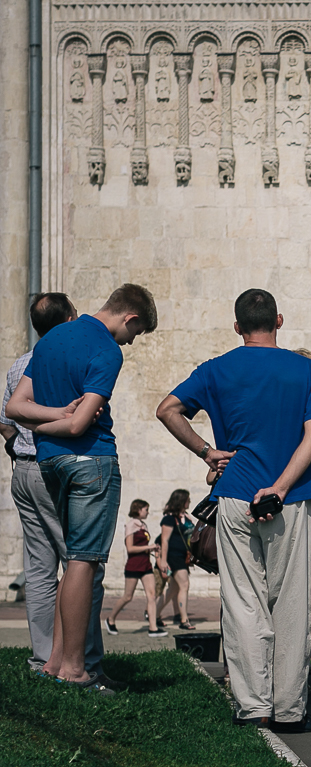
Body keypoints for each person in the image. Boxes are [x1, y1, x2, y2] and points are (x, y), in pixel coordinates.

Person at [156, 288, 311, 733]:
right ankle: (289, 709)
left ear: (237, 327)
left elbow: (168, 409)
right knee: (292, 603)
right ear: (279, 320)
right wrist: (280, 487)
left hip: (235, 494)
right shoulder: (306, 370)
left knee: (242, 602)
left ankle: (253, 706)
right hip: (292, 498)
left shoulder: (215, 369)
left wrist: (206, 451)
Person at [5, 284, 158, 692]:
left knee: (70, 562)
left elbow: (15, 408)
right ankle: (75, 668)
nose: (131, 341)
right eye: (136, 332)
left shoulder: (51, 339)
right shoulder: (107, 350)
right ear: (130, 317)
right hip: (91, 461)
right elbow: (78, 424)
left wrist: (45, 422)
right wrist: (63, 419)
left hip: (49, 461)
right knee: (83, 562)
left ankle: (55, 661)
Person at [0, 293, 113, 678]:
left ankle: (43, 658)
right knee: (80, 563)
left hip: (23, 470)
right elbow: (80, 415)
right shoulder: (66, 356)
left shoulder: (21, 363)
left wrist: (17, 446)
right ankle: (82, 661)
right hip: (56, 466)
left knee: (39, 568)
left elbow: (6, 419)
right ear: (68, 320)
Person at [104, 499, 166, 637]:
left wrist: (152, 549)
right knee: (127, 596)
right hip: (134, 565)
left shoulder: (143, 525)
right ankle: (111, 618)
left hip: (146, 564)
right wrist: (149, 547)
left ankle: (153, 628)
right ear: (138, 510)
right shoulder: (131, 525)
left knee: (152, 595)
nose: (148, 512)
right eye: (146, 509)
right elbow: (130, 548)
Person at [155, 489, 195, 630]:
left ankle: (155, 615)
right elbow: (164, 540)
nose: (189, 502)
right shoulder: (169, 519)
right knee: (184, 585)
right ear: (181, 501)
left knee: (173, 589)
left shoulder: (185, 518)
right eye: (187, 499)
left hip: (183, 557)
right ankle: (184, 620)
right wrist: (163, 561)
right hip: (174, 556)